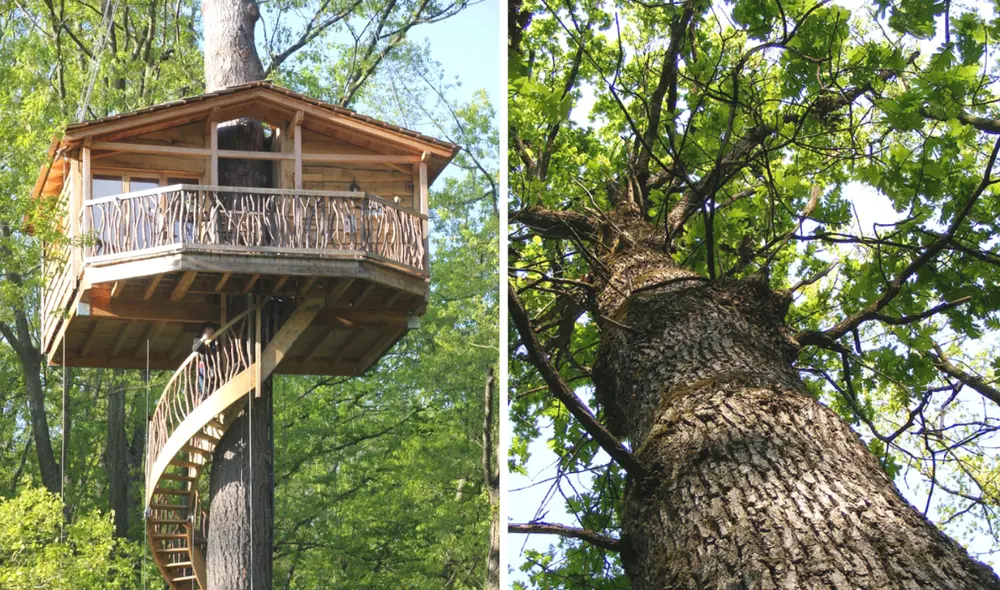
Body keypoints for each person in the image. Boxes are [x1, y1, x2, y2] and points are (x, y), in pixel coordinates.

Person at [192, 322, 219, 400]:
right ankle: (204, 391)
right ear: (204, 331)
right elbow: (195, 348)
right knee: (200, 369)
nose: (210, 332)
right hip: (204, 365)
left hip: (215, 365)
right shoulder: (198, 338)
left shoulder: (216, 339)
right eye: (208, 329)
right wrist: (203, 339)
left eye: (212, 330)